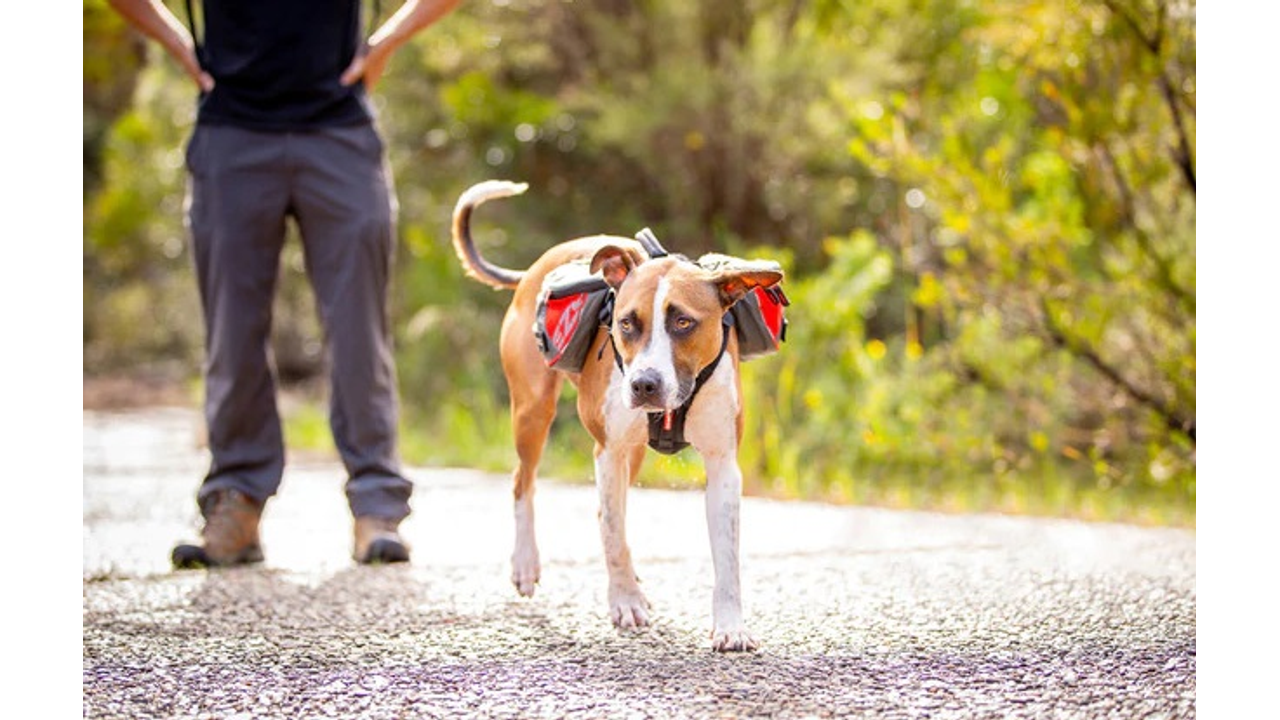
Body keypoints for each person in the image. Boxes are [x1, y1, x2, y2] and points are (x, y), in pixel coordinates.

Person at [105, 0, 462, 567]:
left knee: (357, 328)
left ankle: (376, 508)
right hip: (231, 133)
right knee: (232, 331)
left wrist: (385, 43)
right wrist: (182, 48)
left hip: (340, 131)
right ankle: (237, 501)